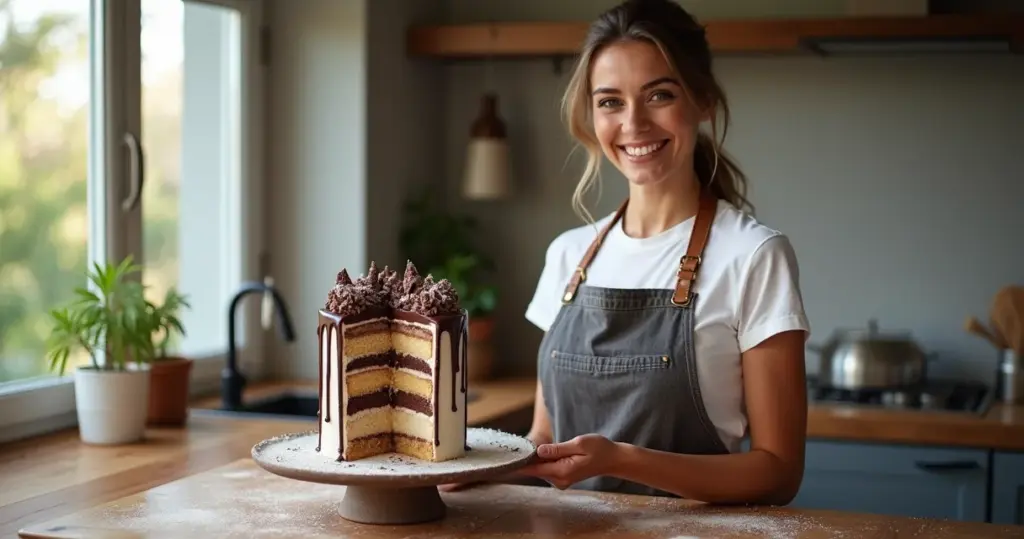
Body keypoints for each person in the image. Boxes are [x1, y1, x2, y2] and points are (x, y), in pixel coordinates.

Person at [443, 0, 810, 505]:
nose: (633, 123)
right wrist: (484, 471)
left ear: (703, 100)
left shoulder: (754, 255)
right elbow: (545, 439)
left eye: (659, 95)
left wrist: (620, 460)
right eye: (610, 102)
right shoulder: (568, 255)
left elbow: (779, 472)